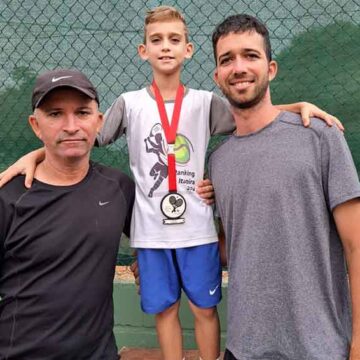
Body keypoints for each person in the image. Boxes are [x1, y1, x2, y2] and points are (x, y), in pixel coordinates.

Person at [0, 7, 342, 360]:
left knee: (203, 310)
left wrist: (296, 105)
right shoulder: (128, 104)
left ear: (188, 49)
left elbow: (252, 114)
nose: (166, 47)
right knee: (165, 311)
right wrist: (36, 155)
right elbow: (77, 138)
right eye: (156, 40)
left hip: (197, 230)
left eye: (174, 39)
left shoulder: (205, 103)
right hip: (150, 236)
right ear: (143, 50)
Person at [208, 14, 360, 360]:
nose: (238, 67)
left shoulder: (320, 136)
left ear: (271, 68)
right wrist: (158, 252)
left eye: (250, 55)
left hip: (319, 349)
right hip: (243, 349)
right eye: (226, 59)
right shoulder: (218, 162)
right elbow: (233, 247)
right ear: (218, 77)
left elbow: (356, 246)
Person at [0, 69, 135, 359]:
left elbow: (158, 239)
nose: (71, 126)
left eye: (83, 112)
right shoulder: (7, 196)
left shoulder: (119, 189)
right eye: (55, 114)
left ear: (98, 122)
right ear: (36, 126)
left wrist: (147, 262)